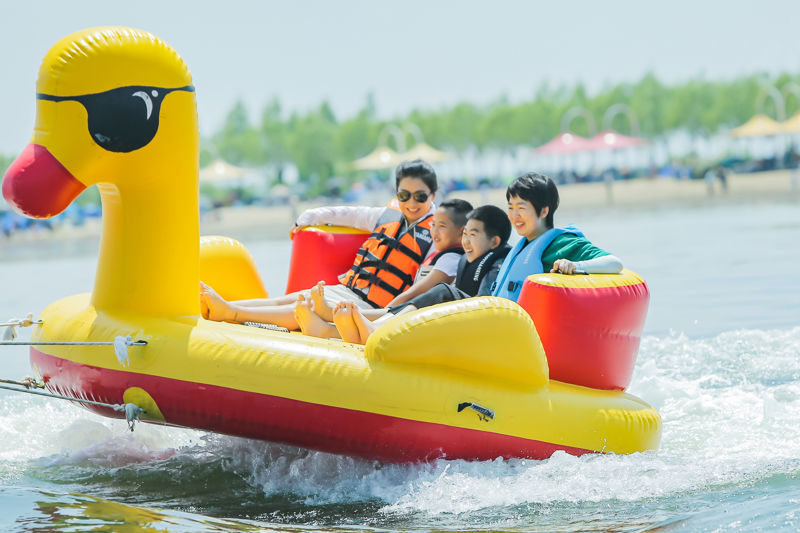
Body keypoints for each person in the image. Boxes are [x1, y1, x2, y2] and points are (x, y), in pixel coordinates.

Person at [200, 159, 439, 330]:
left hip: (370, 306)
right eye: (404, 195)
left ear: (433, 195)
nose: (411, 203)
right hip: (346, 290)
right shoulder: (385, 215)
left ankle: (231, 313)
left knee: (305, 307)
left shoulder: (436, 234)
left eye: (420, 196)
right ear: (397, 194)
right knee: (289, 299)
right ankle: (226, 306)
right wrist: (308, 217)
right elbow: (345, 214)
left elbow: (430, 280)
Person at [295, 204, 513, 343]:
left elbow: (485, 306)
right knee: (426, 301)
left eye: (472, 235)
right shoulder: (468, 259)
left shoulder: (495, 266)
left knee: (442, 293)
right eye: (464, 234)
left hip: (469, 331)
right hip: (447, 322)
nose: (465, 241)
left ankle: (355, 327)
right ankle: (329, 327)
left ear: (494, 242)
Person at [491, 172, 622, 302]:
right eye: (510, 208)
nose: (514, 215)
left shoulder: (562, 243)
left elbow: (614, 263)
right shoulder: (522, 247)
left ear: (543, 211)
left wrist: (575, 265)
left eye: (521, 208)